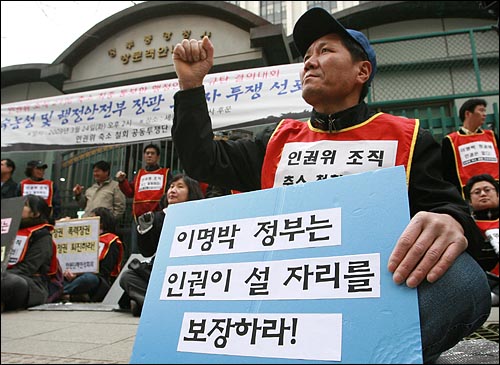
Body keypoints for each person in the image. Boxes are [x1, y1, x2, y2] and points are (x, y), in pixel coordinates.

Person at [171, 7, 491, 363]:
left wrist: (450, 221)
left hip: (371, 296)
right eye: (306, 56)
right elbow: (203, 160)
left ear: (362, 71)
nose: (310, 62)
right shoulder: (277, 139)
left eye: (325, 51)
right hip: (282, 291)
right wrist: (191, 86)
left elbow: (447, 208)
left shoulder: (409, 137)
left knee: (463, 283)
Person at [119, 173, 204, 316]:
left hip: (189, 273)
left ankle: (146, 304)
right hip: (161, 273)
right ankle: (159, 307)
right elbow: (147, 251)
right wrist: (145, 230)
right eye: (171, 186)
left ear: (192, 192)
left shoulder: (201, 216)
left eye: (180, 186)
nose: (172, 190)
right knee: (128, 277)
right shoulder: (157, 217)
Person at [1, 195, 58, 312]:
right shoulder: (8, 230)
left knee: (11, 282)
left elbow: (29, 268)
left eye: (25, 205)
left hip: (30, 282)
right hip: (4, 274)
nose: (19, 207)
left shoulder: (42, 235)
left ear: (35, 214)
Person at [115, 143, 173, 254]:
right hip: (138, 218)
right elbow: (130, 192)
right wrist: (122, 181)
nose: (149, 155)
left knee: (160, 247)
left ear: (158, 156)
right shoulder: (139, 174)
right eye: (147, 153)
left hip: (158, 217)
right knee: (137, 249)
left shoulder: (166, 173)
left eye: (152, 153)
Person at [62, 207, 124, 302]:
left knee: (89, 279)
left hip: (98, 280)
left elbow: (105, 270)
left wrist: (78, 274)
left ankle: (61, 294)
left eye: (92, 218)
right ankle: (71, 295)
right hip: (73, 276)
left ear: (101, 223)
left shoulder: (111, 241)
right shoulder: (82, 238)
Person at [441, 98, 500, 198]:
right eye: (481, 110)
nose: (484, 114)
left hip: (495, 189)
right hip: (467, 193)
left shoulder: (492, 136)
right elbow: (447, 172)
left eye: (485, 111)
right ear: (468, 114)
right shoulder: (451, 140)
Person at [464, 174, 499, 306]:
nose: (483, 194)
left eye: (487, 190)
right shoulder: (464, 226)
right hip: (478, 281)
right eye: (477, 192)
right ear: (470, 201)